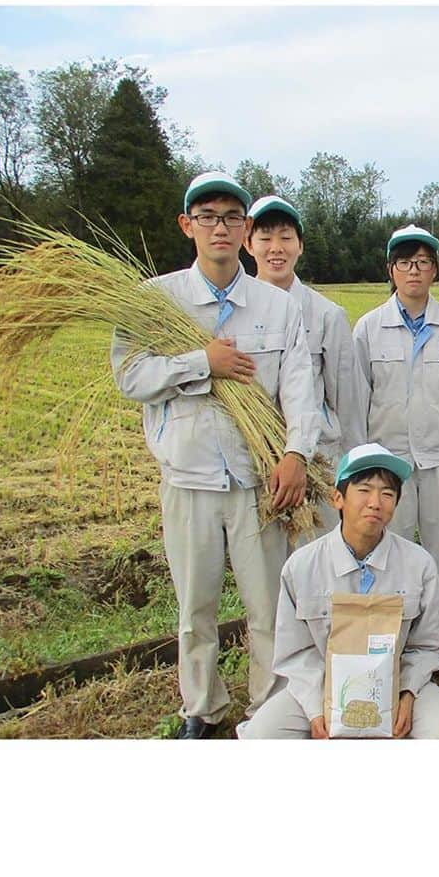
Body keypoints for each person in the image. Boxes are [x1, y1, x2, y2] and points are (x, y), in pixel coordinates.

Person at [110, 170, 321, 738]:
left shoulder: (275, 307)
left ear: (245, 229)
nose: (220, 227)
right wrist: (202, 363)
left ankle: (270, 711)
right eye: (208, 216)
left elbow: (302, 387)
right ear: (187, 226)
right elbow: (129, 376)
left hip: (260, 483)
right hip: (189, 479)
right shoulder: (156, 300)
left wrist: (297, 453)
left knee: (267, 607)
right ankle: (201, 709)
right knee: (195, 608)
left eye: (232, 217)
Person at [237, 443, 439, 739]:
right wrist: (316, 709)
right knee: (263, 734)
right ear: (338, 498)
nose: (375, 502)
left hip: (395, 682)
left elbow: (429, 645)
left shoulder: (418, 564)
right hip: (322, 686)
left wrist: (407, 692)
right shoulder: (302, 566)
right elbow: (296, 653)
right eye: (364, 490)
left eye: (387, 494)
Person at [352, 224, 439, 609]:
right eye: (406, 262)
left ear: (435, 270)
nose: (414, 270)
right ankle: (390, 637)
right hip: (386, 462)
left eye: (423, 262)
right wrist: (360, 463)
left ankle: (438, 642)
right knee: (385, 554)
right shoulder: (368, 328)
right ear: (391, 270)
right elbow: (356, 401)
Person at [244, 193, 364, 532]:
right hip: (257, 462)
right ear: (248, 244)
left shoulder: (327, 315)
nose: (276, 248)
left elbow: (347, 402)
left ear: (300, 245)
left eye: (285, 237)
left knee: (316, 566)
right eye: (265, 238)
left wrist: (352, 471)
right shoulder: (234, 315)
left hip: (318, 462)